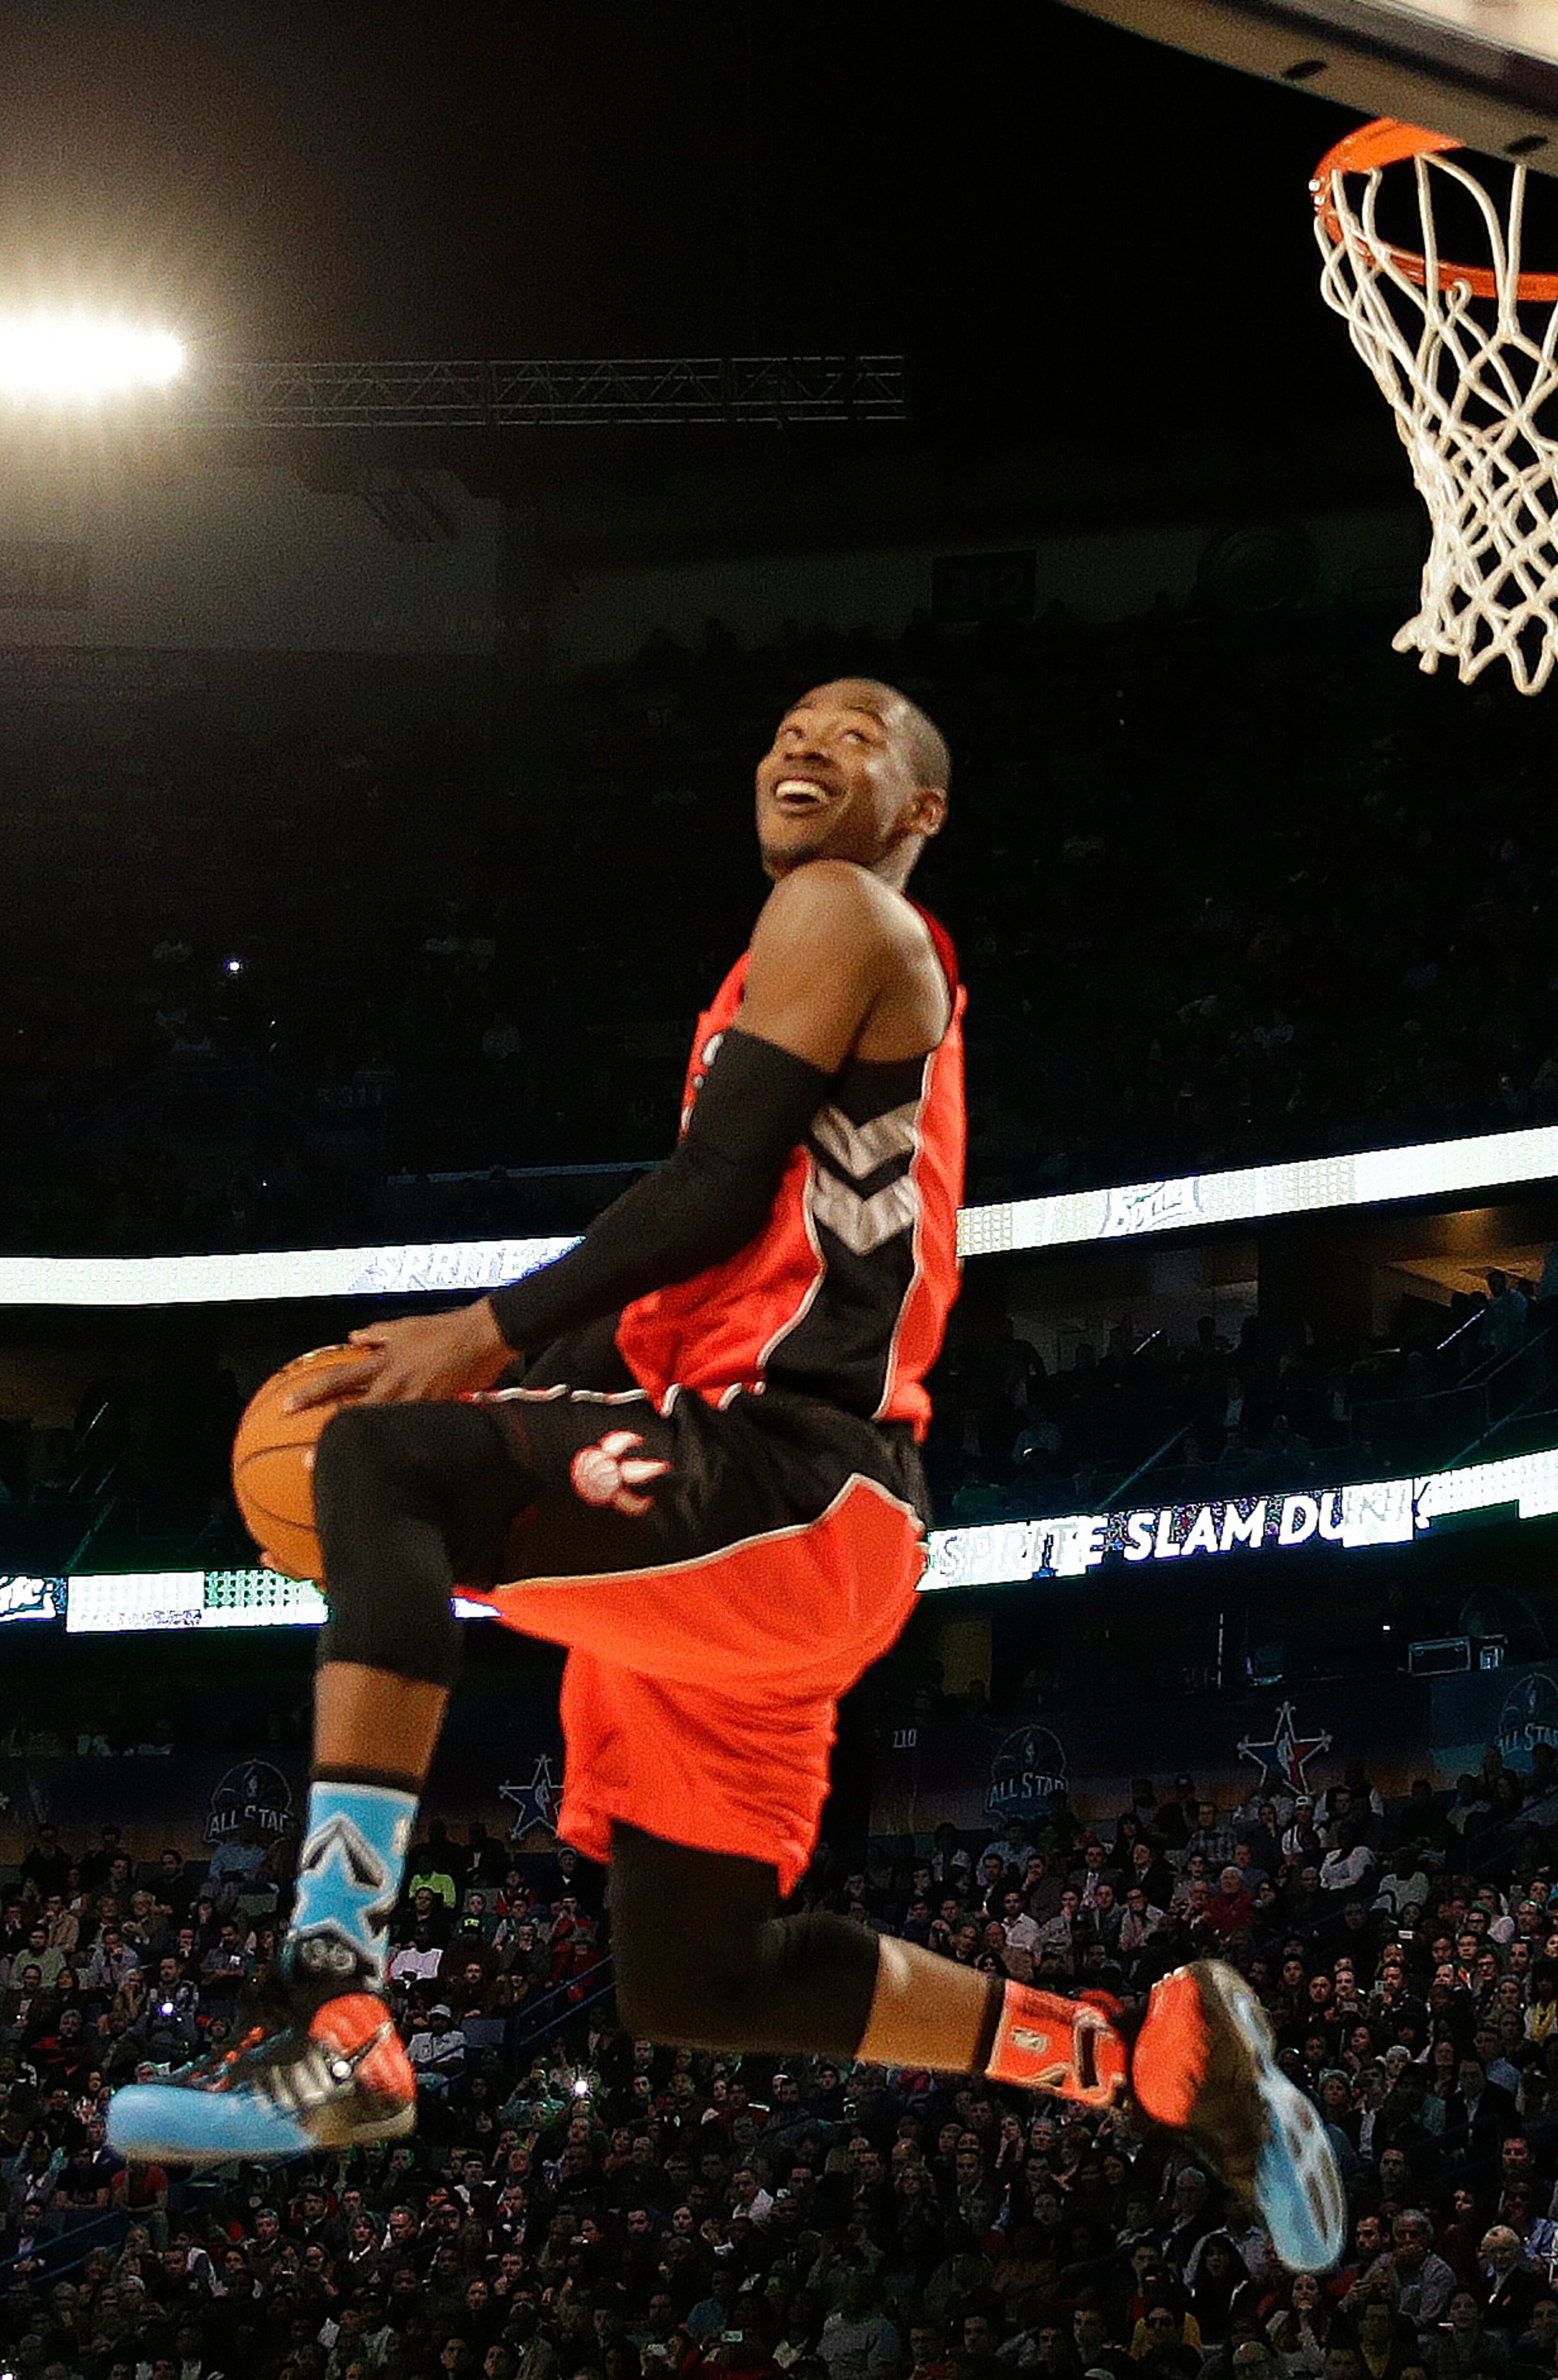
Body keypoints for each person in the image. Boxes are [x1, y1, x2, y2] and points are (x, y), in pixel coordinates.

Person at [104, 677, 1344, 2276]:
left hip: (787, 1485)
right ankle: (1140, 2063)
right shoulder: (783, 968)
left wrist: (486, 1336)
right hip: (761, 1542)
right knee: (696, 1979)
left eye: (856, 732)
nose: (805, 745)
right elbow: (723, 1253)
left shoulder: (845, 914)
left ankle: (331, 2010)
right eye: (785, 728)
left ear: (923, 811)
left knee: (377, 1458)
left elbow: (707, 1190)